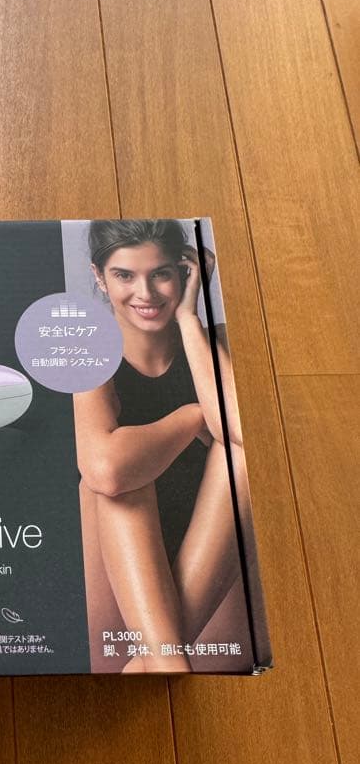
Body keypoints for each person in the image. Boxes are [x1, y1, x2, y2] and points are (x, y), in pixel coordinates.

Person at [73, 220, 250, 672]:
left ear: (184, 273)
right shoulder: (89, 354)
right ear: (99, 277)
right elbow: (105, 471)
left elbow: (245, 432)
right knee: (117, 476)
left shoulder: (217, 342)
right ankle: (162, 656)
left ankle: (160, 656)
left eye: (161, 274)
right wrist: (192, 416)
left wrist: (191, 319)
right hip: (118, 584)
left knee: (242, 459)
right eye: (124, 275)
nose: (146, 294)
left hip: (209, 574)